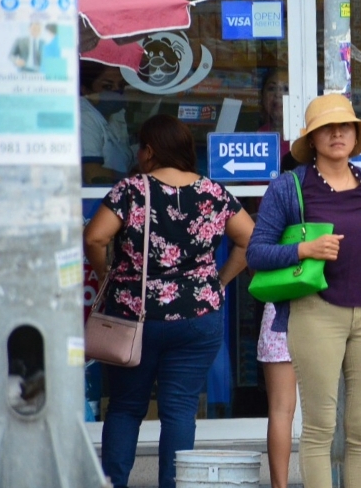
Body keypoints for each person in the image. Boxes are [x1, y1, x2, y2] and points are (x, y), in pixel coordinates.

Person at [246, 94, 361, 488]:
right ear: (312, 138)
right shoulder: (289, 186)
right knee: (320, 428)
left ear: (356, 134)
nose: (337, 133)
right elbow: (256, 252)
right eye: (327, 127)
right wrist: (303, 250)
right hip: (315, 311)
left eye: (345, 126)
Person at [83, 115, 254, 488]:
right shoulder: (213, 192)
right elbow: (250, 241)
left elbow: (95, 238)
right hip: (198, 318)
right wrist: (219, 282)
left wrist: (106, 275)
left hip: (134, 318)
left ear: (148, 151)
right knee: (180, 411)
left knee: (126, 409)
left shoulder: (131, 190)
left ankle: (112, 483)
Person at [250, 68, 295, 488]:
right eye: (271, 89)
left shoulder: (279, 188)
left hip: (284, 305)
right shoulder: (258, 141)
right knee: (310, 409)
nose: (279, 97)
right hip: (305, 306)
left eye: (287, 89)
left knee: (284, 408)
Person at [80, 61, 136, 185]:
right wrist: (133, 179)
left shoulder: (115, 114)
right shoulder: (85, 117)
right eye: (108, 87)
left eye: (121, 85)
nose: (117, 92)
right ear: (85, 90)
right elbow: (92, 175)